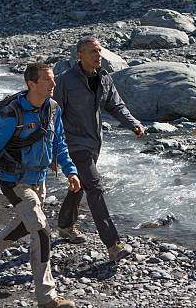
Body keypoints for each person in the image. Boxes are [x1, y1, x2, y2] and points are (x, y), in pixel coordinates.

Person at [0, 63, 80, 308]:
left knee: (24, 225)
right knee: (41, 231)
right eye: (48, 80)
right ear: (31, 84)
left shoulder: (53, 109)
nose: (53, 85)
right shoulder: (12, 115)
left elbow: (59, 143)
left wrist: (70, 171)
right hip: (15, 182)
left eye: (54, 80)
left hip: (39, 181)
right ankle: (47, 298)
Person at [53, 36, 144, 262]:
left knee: (82, 184)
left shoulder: (104, 78)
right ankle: (113, 244)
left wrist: (133, 123)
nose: (98, 56)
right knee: (95, 188)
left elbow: (115, 105)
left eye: (99, 51)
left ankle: (64, 224)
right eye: (92, 52)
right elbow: (53, 115)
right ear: (80, 56)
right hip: (73, 144)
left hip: (94, 142)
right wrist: (54, 149)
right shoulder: (65, 81)